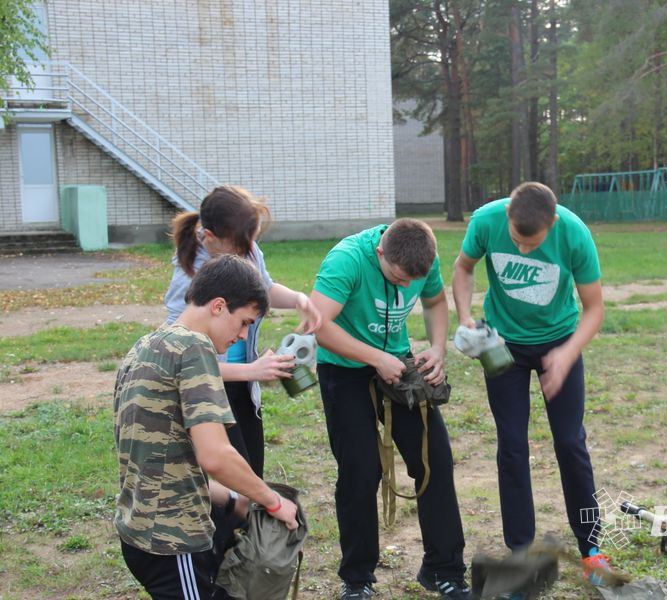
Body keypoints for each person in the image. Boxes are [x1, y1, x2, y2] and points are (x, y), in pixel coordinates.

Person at [451, 182, 609, 588]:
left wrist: (567, 353)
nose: (522, 250)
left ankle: (592, 549)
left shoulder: (573, 233)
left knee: (570, 443)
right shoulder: (486, 220)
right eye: (517, 241)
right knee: (512, 445)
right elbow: (464, 267)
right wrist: (466, 315)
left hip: (559, 339)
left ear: (551, 223)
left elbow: (594, 309)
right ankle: (520, 553)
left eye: (532, 243)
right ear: (508, 216)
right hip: (503, 345)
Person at [114, 254, 300, 600]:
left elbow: (159, 458)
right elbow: (215, 456)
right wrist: (272, 501)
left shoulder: (145, 346)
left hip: (138, 531)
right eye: (243, 323)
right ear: (218, 306)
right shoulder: (195, 349)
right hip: (175, 541)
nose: (243, 336)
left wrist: (230, 498)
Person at [309, 219, 470, 600]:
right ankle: (357, 578)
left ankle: (443, 569)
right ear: (381, 252)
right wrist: (374, 357)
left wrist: (438, 348)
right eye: (398, 279)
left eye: (411, 281)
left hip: (397, 365)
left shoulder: (422, 258)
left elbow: (435, 301)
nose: (404, 286)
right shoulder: (347, 260)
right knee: (361, 470)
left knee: (434, 460)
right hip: (344, 371)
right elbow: (317, 324)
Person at [164, 185, 322, 478]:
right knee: (231, 484)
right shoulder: (187, 278)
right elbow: (182, 359)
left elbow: (263, 289)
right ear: (210, 237)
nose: (248, 252)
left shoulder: (246, 249)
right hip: (208, 392)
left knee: (252, 474)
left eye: (251, 243)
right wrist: (253, 370)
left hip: (244, 387)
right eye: (240, 246)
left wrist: (297, 299)